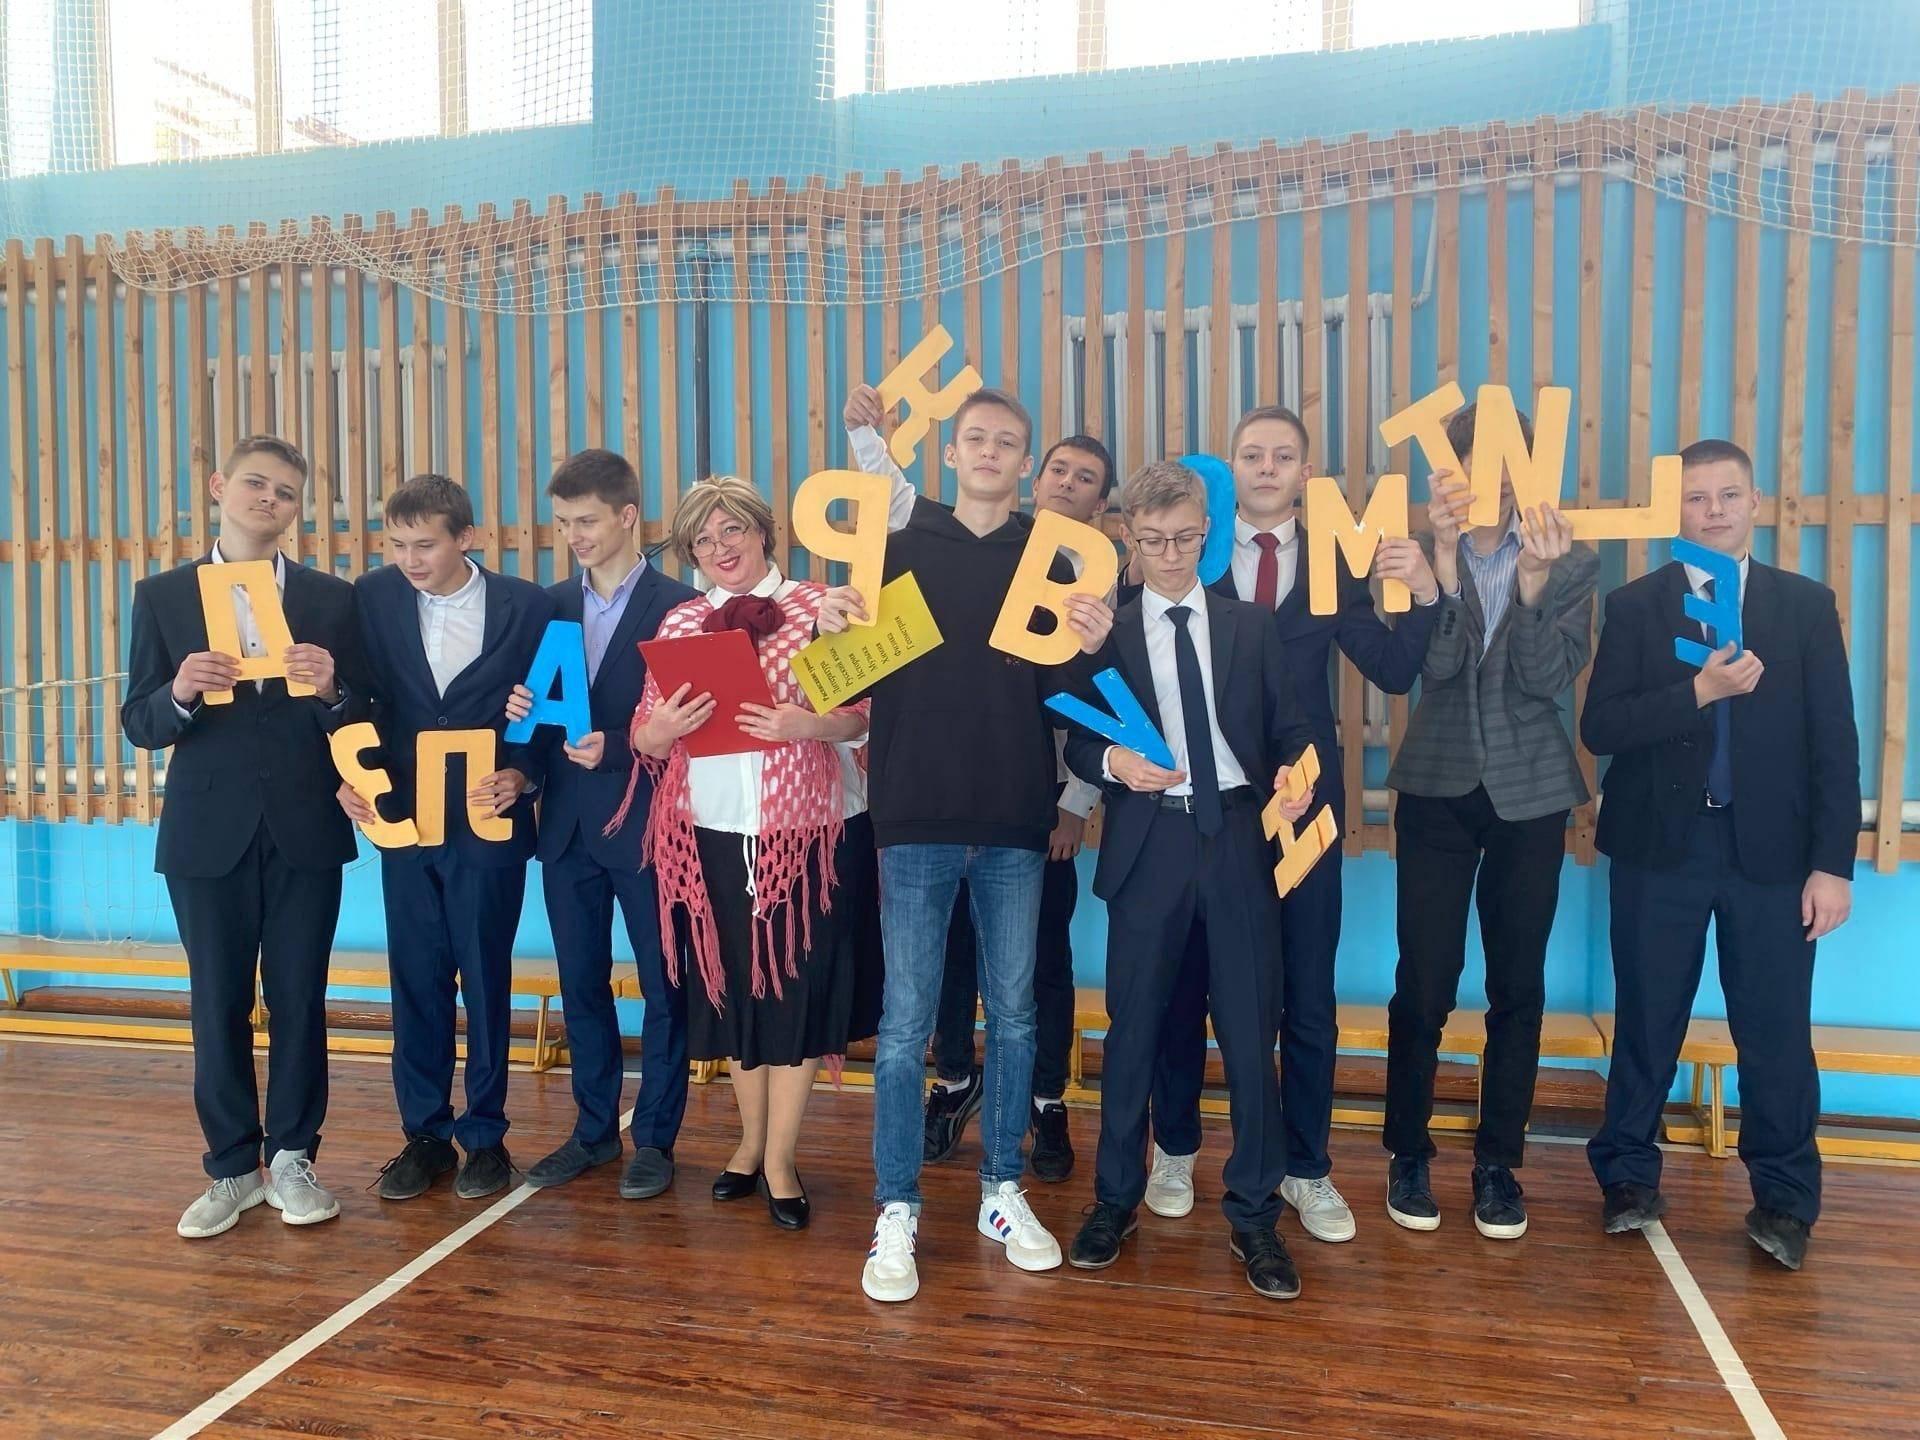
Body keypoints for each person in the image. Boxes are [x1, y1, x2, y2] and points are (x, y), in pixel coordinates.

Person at [822, 385, 1112, 1302]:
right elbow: (840, 682)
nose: (990, 451)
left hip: (1015, 820)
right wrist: (832, 627)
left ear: (1026, 463)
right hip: (913, 816)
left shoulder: (1050, 562)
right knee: (906, 1025)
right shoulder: (897, 548)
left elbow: (1070, 700)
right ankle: (897, 1206)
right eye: (975, 438)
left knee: (1016, 1015)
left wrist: (1094, 645)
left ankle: (1001, 1190)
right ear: (949, 454)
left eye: (1007, 442)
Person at [1144, 406, 1440, 1242]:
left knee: (1308, 992)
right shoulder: (1188, 557)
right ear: (1231, 469)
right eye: (1252, 455)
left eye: (1282, 456)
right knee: (1186, 985)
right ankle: (1175, 1148)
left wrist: (1425, 594)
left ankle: (1306, 1167)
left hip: (1304, 807)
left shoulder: (1336, 561)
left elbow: (1392, 669)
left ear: (1306, 473)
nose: (1266, 468)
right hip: (1205, 808)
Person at [1582, 439, 1858, 1271]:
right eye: (1697, 498)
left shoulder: (1804, 606)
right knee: (1646, 1020)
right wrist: (1698, 691)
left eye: (1727, 495)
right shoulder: (1637, 605)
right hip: (1660, 850)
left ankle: (1785, 1201)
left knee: (1775, 1032)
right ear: (1678, 509)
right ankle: (1627, 1180)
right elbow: (1602, 728)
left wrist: (1833, 865)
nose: (1713, 511)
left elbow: (1835, 743)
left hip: (1774, 857)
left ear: (1755, 503)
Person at [1060, 460, 1316, 1299]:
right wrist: (1114, 761)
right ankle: (1113, 1201)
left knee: (1249, 1034)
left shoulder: (1252, 626)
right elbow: (1074, 735)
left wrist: (1294, 773)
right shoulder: (1108, 632)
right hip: (1149, 844)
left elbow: (1290, 728)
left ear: (1208, 532)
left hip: (1239, 837)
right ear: (1128, 538)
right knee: (1131, 1032)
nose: (1171, 556)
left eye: (1186, 540)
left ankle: (1255, 1216)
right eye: (1154, 541)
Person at [613, 476, 880, 1230]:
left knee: (793, 991)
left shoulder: (823, 605)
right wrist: (662, 731)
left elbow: (865, 716)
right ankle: (749, 1142)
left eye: (731, 530)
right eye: (702, 539)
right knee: (734, 989)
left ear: (763, 531)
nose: (720, 548)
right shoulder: (680, 621)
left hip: (810, 834)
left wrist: (809, 725)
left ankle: (782, 1160)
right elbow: (644, 737)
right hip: (714, 830)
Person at [123, 435, 359, 1238]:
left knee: (300, 999)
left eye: (286, 492)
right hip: (205, 833)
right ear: (220, 487)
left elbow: (362, 713)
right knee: (215, 1002)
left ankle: (292, 1158)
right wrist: (180, 692)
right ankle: (230, 1167)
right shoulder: (161, 595)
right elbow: (139, 721)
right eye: (256, 484)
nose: (269, 500)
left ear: (297, 508)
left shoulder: (330, 599)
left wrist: (333, 690)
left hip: (306, 828)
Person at [1382, 402, 1596, 1240]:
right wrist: (1440, 567)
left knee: (1518, 986)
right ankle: (1408, 1153)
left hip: (1531, 793)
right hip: (1436, 786)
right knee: (1424, 982)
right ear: (1452, 472)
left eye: (1510, 468)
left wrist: (1534, 586)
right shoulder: (1410, 550)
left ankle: (1498, 1164)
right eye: (1477, 466)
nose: (1494, 485)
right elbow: (1432, 668)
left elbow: (1546, 680)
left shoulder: (1572, 560)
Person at [341, 475, 554, 1202]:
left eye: (425, 544)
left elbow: (547, 709)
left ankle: (486, 1137)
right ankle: (425, 1136)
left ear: (466, 538)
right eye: (397, 544)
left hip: (487, 824)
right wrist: (348, 776)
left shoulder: (528, 606)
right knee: (417, 980)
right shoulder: (371, 598)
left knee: (486, 978)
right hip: (405, 823)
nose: (410, 559)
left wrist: (524, 774)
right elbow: (359, 701)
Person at [503, 450, 700, 1200]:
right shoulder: (546, 606)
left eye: (585, 521)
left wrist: (617, 746)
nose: (574, 536)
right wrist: (520, 742)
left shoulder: (681, 607)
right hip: (565, 831)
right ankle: (592, 1131)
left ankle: (655, 1139)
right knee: (580, 984)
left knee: (664, 987)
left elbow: (695, 724)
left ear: (628, 516)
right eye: (562, 523)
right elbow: (536, 721)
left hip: (652, 827)